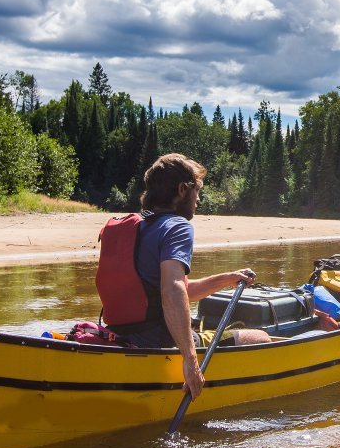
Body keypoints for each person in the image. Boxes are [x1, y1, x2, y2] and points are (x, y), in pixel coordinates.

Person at [103, 153, 255, 402]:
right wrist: (190, 359)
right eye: (197, 191)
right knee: (257, 338)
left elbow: (182, 290)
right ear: (182, 190)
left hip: (119, 336)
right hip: (157, 341)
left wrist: (229, 278)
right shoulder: (178, 227)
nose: (198, 200)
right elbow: (172, 289)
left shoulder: (140, 227)